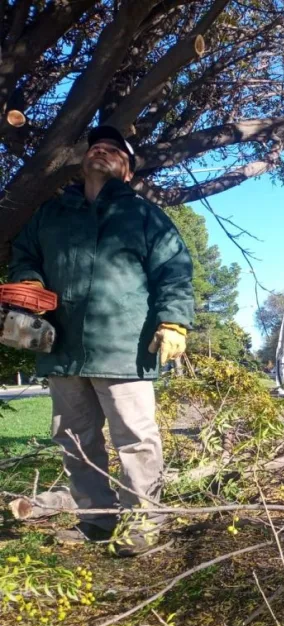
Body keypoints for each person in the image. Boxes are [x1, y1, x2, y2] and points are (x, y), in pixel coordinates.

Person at [9, 125, 194, 555]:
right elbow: (25, 255)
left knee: (136, 437)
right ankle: (96, 521)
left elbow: (176, 271)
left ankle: (143, 524)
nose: (102, 152)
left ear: (127, 171)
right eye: (96, 146)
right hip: (61, 346)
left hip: (125, 348)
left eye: (114, 150)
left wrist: (174, 322)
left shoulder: (145, 216)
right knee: (75, 439)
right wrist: (29, 282)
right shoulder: (52, 214)